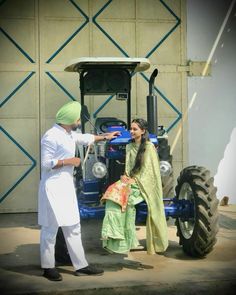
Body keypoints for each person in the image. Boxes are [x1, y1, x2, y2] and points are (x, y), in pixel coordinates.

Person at [38, 100, 119, 281]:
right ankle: (48, 267)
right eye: (77, 118)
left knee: (73, 226)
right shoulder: (50, 136)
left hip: (66, 186)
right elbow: (45, 163)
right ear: (70, 119)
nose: (79, 121)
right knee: (50, 229)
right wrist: (69, 161)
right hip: (53, 188)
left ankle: (81, 266)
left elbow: (86, 138)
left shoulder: (68, 134)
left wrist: (106, 136)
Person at [101, 118, 168, 255]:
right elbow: (128, 168)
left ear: (143, 131)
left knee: (127, 200)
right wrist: (124, 177)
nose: (131, 131)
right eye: (130, 129)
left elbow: (150, 172)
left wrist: (135, 181)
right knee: (112, 195)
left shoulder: (149, 147)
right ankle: (116, 238)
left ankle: (126, 239)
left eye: (134, 129)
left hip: (143, 184)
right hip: (130, 180)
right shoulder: (129, 146)